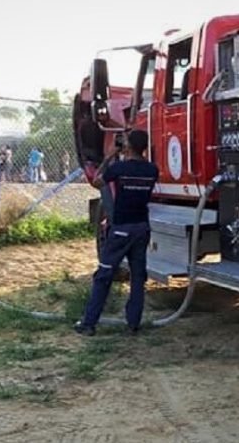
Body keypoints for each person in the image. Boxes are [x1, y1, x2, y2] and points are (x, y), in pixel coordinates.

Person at [74, 130, 158, 336]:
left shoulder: (119, 168)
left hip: (121, 229)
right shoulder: (152, 170)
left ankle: (89, 323)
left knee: (104, 275)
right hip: (142, 228)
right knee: (138, 277)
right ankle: (133, 324)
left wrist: (109, 156)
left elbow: (96, 182)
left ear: (127, 147)